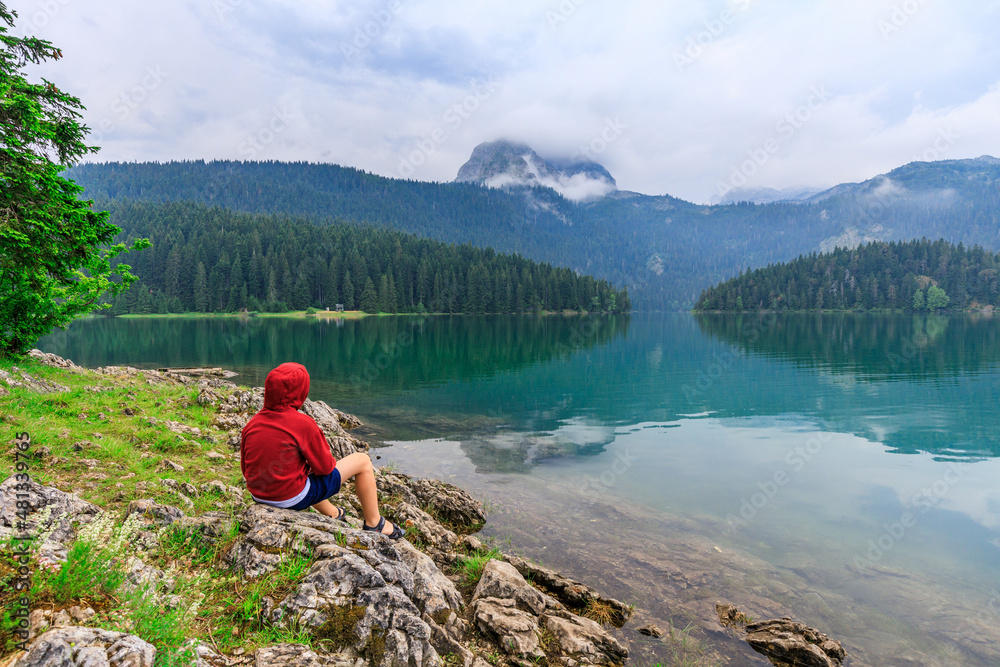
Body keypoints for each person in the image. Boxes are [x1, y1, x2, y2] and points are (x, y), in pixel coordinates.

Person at [240, 362, 404, 539]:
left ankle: (333, 513)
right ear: (301, 392)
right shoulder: (302, 424)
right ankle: (375, 523)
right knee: (362, 461)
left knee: (303, 475)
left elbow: (245, 468)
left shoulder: (252, 423)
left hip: (258, 495)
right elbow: (326, 469)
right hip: (289, 499)